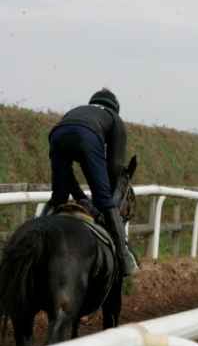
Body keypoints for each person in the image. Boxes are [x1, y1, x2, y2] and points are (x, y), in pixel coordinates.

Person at [43, 88, 136, 276]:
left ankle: (38, 241)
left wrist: (79, 197)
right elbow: (115, 166)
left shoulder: (79, 110)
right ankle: (124, 258)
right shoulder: (114, 118)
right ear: (115, 107)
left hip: (57, 135)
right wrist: (103, 199)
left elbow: (68, 175)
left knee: (58, 198)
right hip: (87, 137)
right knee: (105, 202)